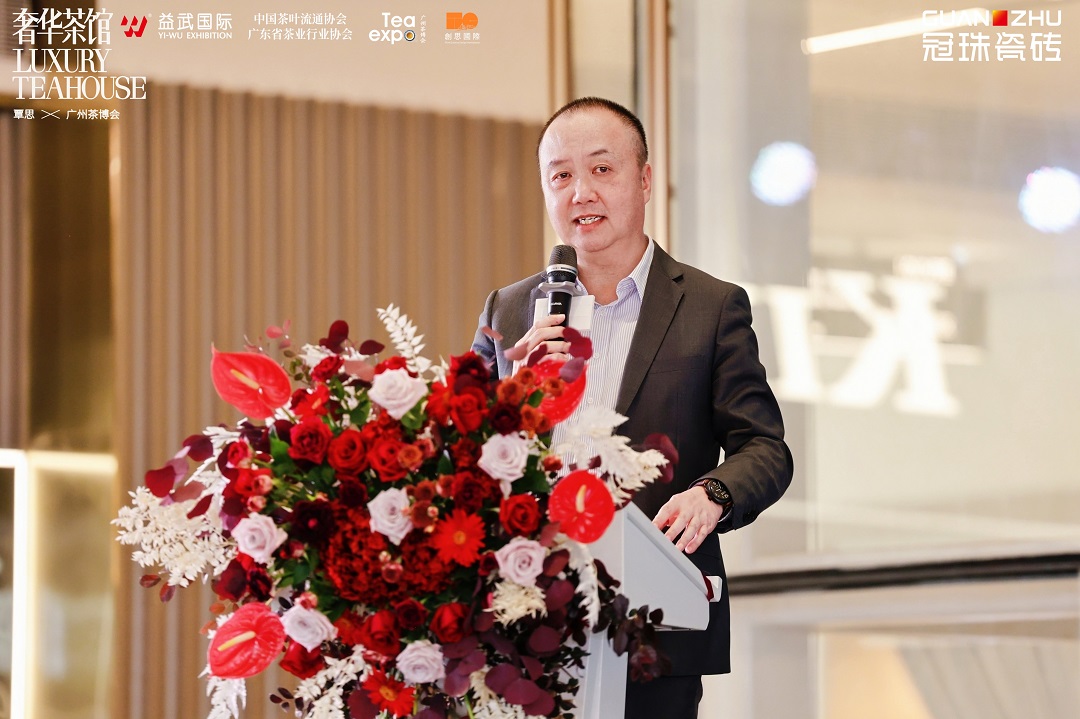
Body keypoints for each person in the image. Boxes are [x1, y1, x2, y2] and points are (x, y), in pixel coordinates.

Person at [471, 97, 793, 719]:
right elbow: (462, 456)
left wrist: (712, 495)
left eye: (601, 169)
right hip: (522, 626)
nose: (581, 193)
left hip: (654, 628)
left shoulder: (710, 307)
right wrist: (512, 399)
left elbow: (765, 448)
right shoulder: (510, 311)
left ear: (644, 180)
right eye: (561, 176)